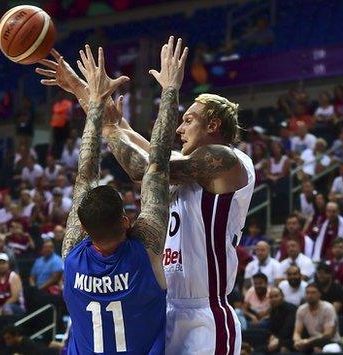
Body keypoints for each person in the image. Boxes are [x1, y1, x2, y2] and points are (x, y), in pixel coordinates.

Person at [37, 36, 252, 354]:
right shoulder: (184, 165)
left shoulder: (227, 162)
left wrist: (112, 124)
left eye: (188, 120)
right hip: (165, 307)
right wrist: (82, 90)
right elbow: (135, 141)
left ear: (214, 125)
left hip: (204, 314)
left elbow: (146, 166)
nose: (179, 129)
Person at [55, 38, 182, 354]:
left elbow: (85, 175)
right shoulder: (147, 249)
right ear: (126, 220)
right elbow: (157, 167)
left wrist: (94, 101)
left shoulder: (71, 254)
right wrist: (169, 90)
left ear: (82, 228)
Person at [293, 284, 341, 353]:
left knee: (327, 349)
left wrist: (308, 341)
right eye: (307, 293)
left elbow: (327, 334)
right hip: (312, 342)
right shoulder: (301, 309)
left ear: (319, 294)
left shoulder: (328, 308)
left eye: (313, 292)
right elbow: (297, 332)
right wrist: (298, 341)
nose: (310, 295)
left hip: (331, 342)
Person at [267, 287, 297, 354]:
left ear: (282, 296)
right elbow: (272, 327)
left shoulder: (291, 309)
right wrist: (272, 335)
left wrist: (278, 339)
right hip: (278, 337)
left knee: (283, 349)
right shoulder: (273, 309)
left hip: (291, 338)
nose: (273, 299)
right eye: (271, 297)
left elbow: (288, 328)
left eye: (276, 296)